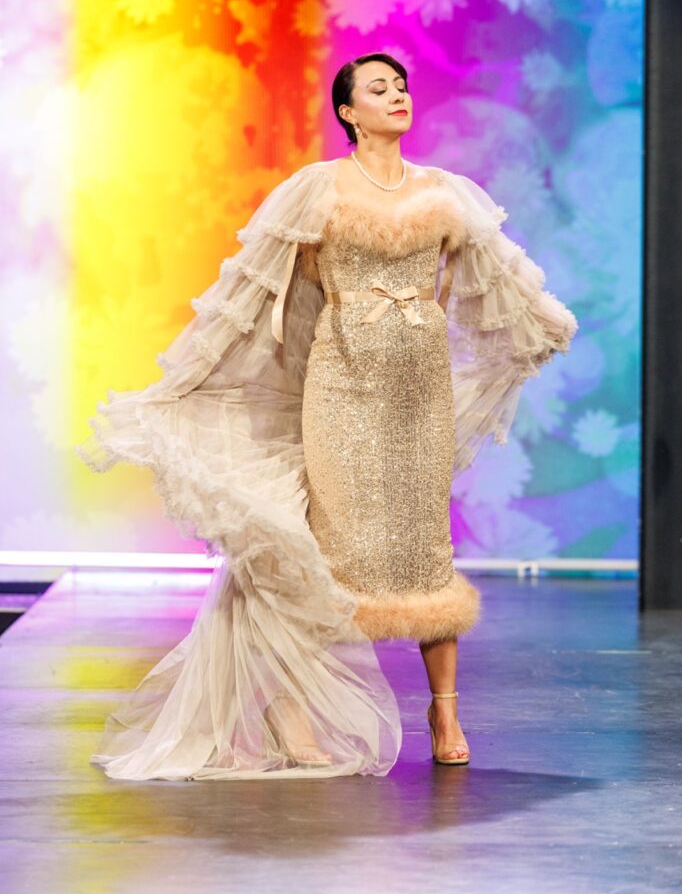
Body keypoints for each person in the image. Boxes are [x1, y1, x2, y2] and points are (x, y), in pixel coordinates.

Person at [75, 51, 577, 781]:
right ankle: (293, 707)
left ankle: (445, 709)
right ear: (347, 111)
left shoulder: (445, 193)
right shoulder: (318, 189)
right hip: (342, 388)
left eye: (400, 85)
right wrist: (189, 374)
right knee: (325, 547)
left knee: (422, 549)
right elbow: (256, 294)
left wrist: (542, 323)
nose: (396, 95)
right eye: (378, 89)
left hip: (418, 394)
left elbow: (494, 281)